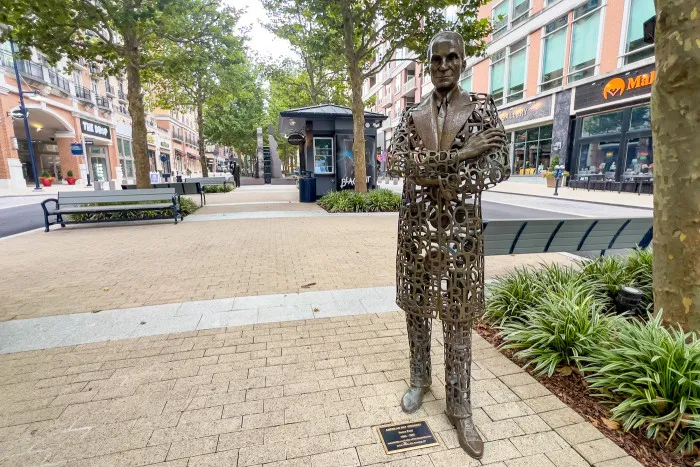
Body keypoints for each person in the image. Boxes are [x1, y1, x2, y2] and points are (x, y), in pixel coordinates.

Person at [387, 30, 509, 459]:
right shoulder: (410, 114)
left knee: (457, 319)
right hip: (417, 230)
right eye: (435, 60)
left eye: (451, 58)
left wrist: (435, 170)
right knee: (417, 311)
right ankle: (420, 379)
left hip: (460, 234)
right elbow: (399, 163)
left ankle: (461, 406)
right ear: (427, 64)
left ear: (462, 62)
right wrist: (460, 156)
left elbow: (496, 167)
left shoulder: (482, 109)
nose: (442, 66)